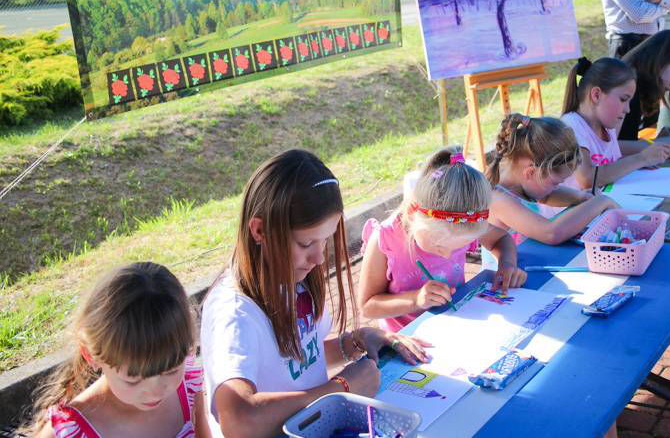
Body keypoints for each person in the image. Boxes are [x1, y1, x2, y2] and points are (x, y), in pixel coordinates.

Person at [200, 150, 430, 438]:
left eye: (325, 240)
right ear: (259, 230)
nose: (319, 258)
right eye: (306, 242)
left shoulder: (291, 278)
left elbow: (296, 360)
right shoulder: (234, 311)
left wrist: (354, 341)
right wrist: (341, 389)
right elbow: (238, 419)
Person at [30, 262, 209, 438]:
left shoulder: (191, 386)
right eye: (133, 380)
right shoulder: (69, 432)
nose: (155, 391)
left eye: (171, 371)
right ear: (91, 356)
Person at [358, 147, 526, 331]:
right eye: (438, 245)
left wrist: (507, 264)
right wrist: (416, 299)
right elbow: (367, 306)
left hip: (455, 323)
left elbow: (500, 238)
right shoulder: (385, 240)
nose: (446, 255)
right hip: (407, 339)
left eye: (457, 248)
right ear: (414, 212)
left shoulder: (462, 223)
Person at [486, 114, 618, 245]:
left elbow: (547, 196)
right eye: (555, 183)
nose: (556, 187)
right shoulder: (498, 200)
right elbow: (551, 233)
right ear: (531, 172)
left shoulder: (525, 184)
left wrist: (581, 197)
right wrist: (600, 202)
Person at [561, 58, 670, 190]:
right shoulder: (572, 126)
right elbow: (587, 179)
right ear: (596, 95)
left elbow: (608, 163)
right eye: (623, 99)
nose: (627, 109)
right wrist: (641, 159)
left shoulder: (607, 128)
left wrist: (637, 164)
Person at [618, 30, 670, 151]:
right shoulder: (625, 87)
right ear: (660, 60)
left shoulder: (634, 84)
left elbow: (625, 141)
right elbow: (607, 150)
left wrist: (657, 141)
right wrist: (666, 143)